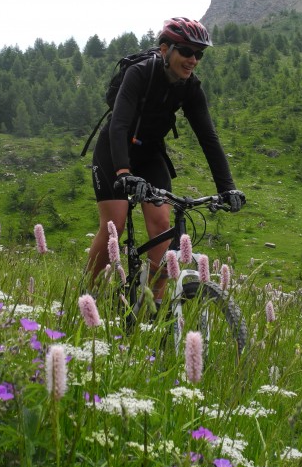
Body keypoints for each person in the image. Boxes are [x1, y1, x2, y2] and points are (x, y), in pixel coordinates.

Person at [86, 17, 245, 297]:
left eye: (199, 54)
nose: (193, 60)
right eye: (186, 51)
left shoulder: (191, 88)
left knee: (162, 227)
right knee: (114, 226)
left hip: (149, 154)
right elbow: (119, 124)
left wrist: (227, 187)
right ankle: (89, 294)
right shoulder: (140, 73)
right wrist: (123, 172)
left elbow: (208, 138)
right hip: (115, 151)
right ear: (165, 50)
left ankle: (153, 307)